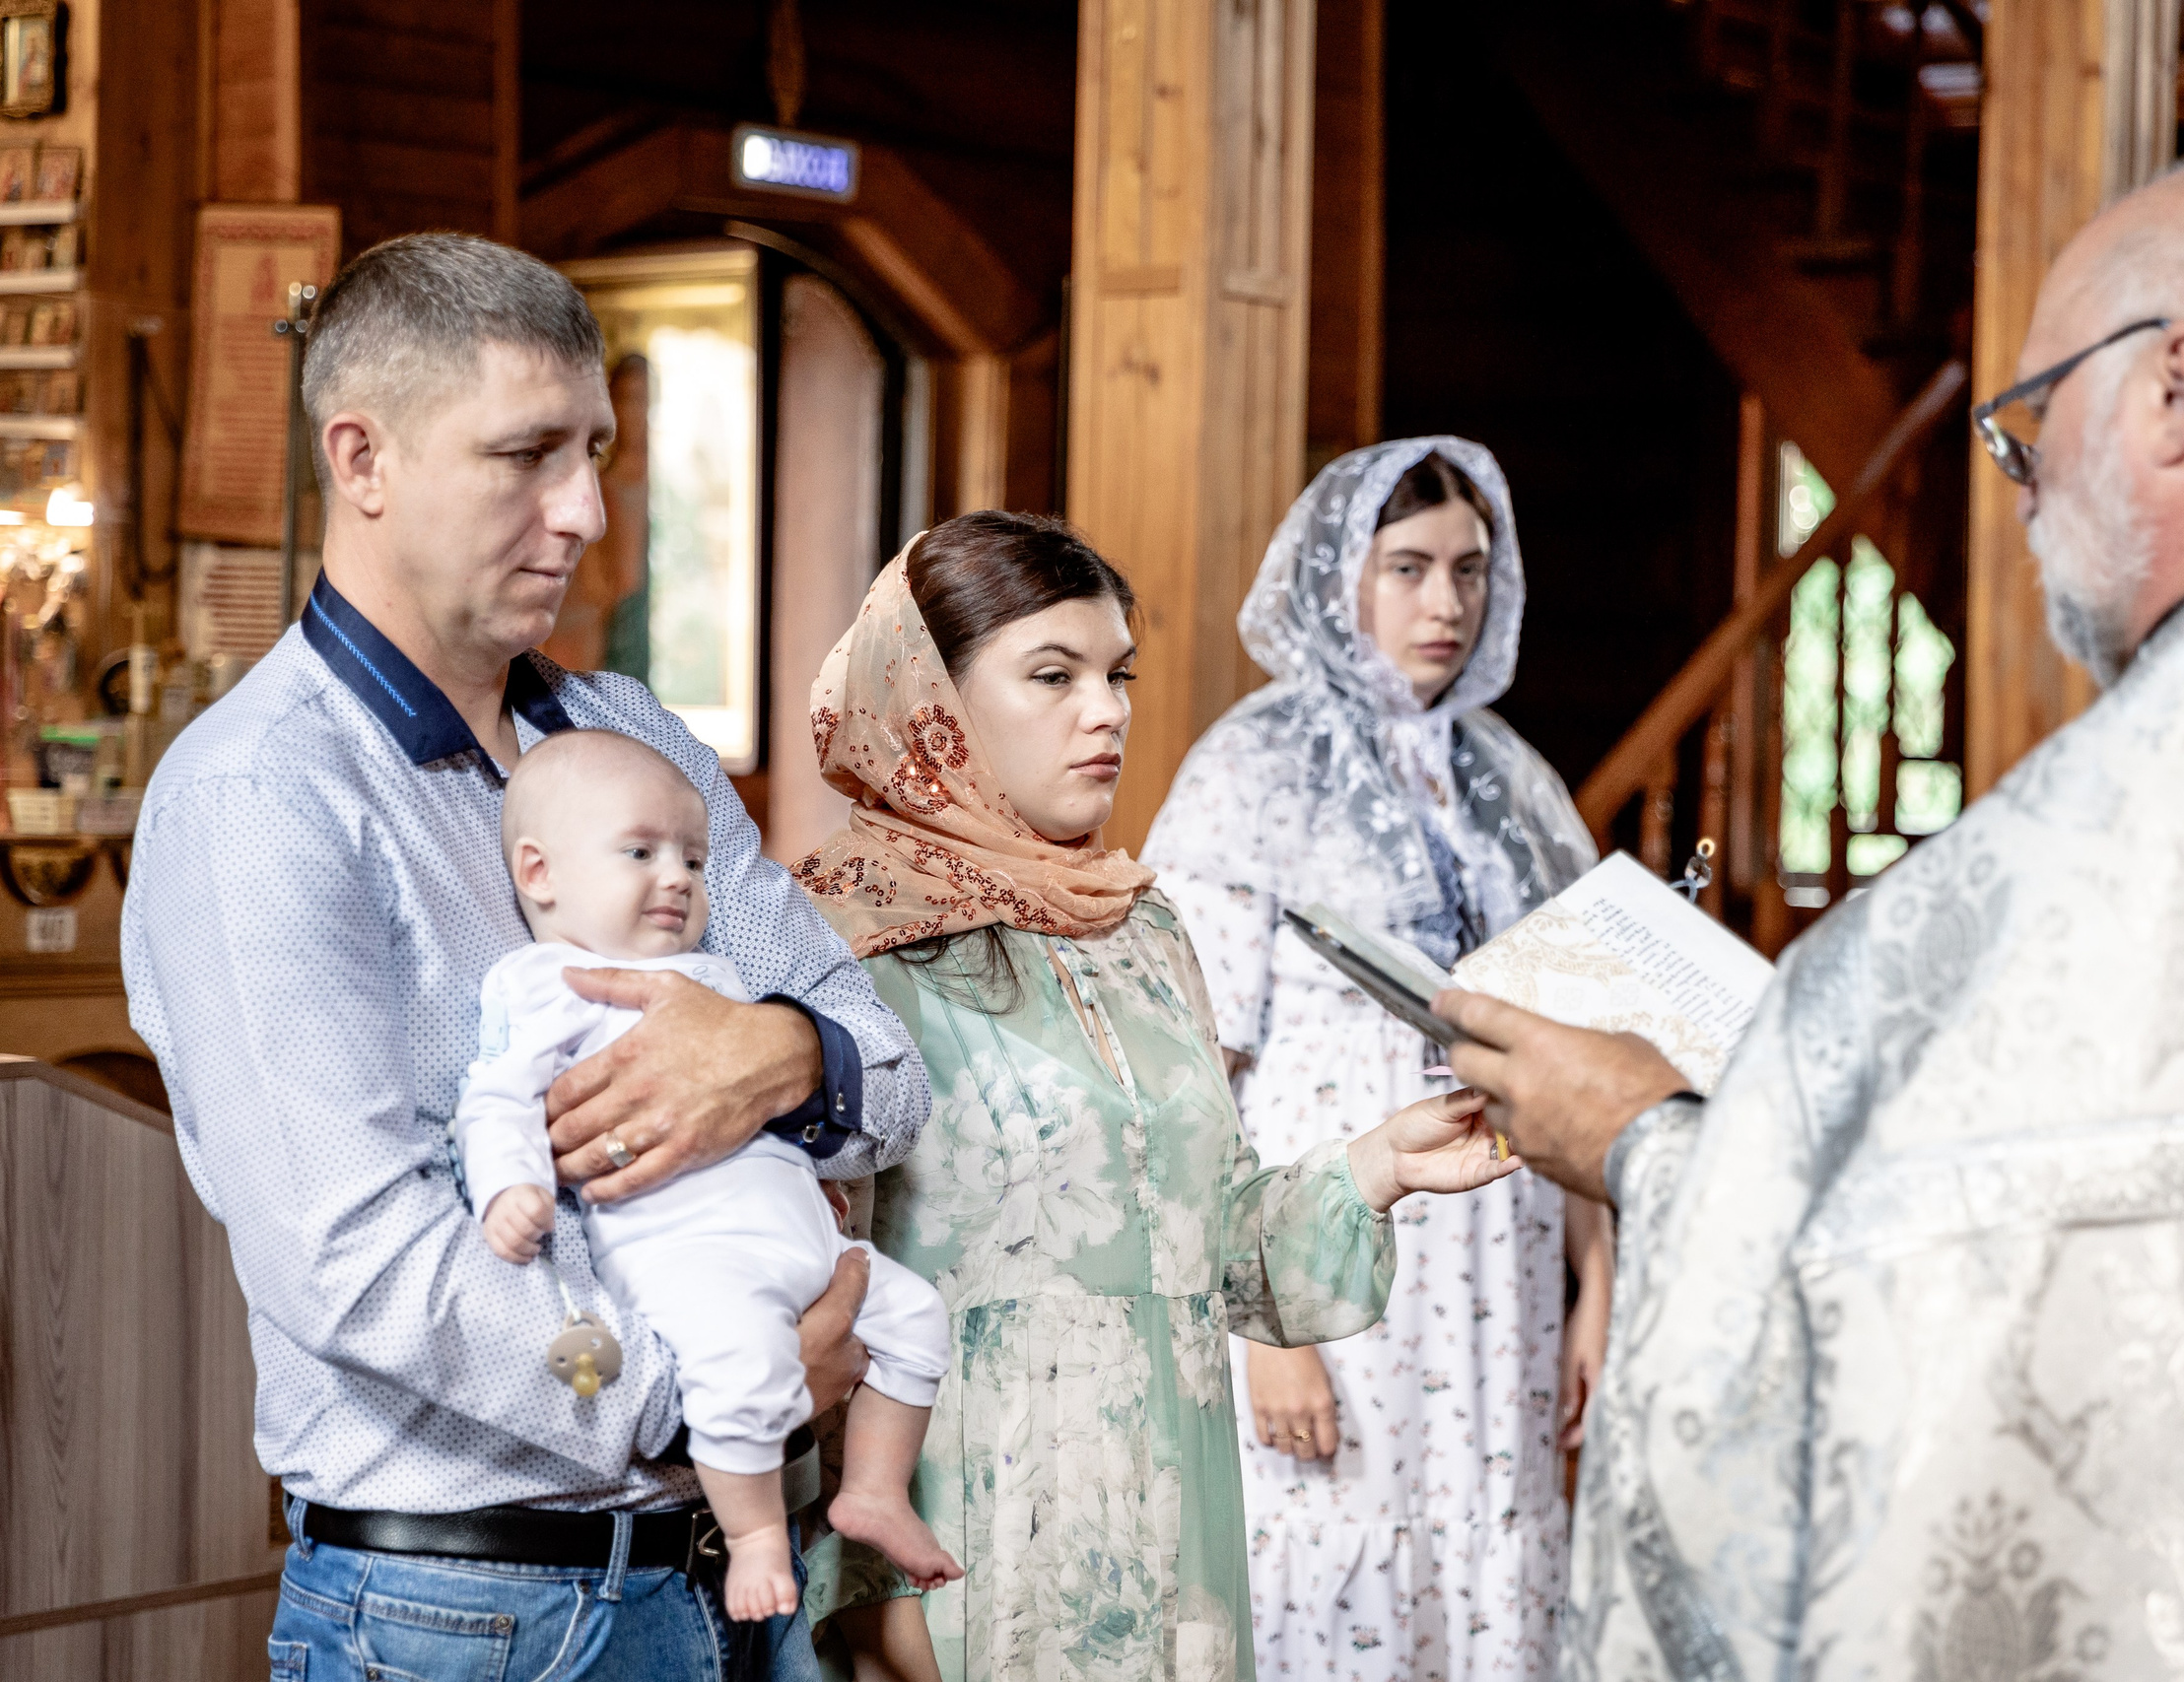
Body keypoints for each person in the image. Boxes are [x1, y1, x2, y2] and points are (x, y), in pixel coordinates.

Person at [1439, 147, 2184, 1678]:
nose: (2012, 494)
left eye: (2025, 429)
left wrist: (1637, 1142)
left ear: (2170, 389)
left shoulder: (2009, 914)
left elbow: (1795, 1403)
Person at [121, 232, 928, 1680]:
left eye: (600, 452)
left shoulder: (630, 729)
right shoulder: (261, 794)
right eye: (525, 454)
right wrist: (697, 1398)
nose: (583, 512)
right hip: (469, 1617)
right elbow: (358, 1262)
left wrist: (786, 1053)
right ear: (361, 458)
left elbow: (887, 1059)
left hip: (739, 1577)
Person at [789, 511, 1527, 1682]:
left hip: (1173, 1542)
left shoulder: (1142, 927)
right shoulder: (835, 938)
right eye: (1053, 675)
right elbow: (804, 1300)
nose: (1109, 710)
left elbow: (1217, 1237)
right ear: (930, 701)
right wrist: (861, 1602)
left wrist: (1377, 1164)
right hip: (960, 1558)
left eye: (1117, 674)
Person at [1140, 437, 1607, 1677]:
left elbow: (1560, 1053)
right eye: (1407, 568)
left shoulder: (1512, 781)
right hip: (1335, 1256)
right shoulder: (1253, 766)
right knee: (1328, 1558)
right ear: (1337, 580)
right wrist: (1267, 1328)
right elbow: (1189, 1073)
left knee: (1489, 1561)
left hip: (1500, 1270)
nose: (1445, 602)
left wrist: (1592, 1282)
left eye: (1468, 568)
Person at [454, 728, 959, 1620]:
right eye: (641, 853)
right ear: (540, 874)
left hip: (804, 1238)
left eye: (692, 856)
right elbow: (495, 1098)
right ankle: (758, 1538)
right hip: (691, 1256)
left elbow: (850, 1075)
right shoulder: (542, 984)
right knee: (741, 1367)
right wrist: (512, 1186)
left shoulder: (716, 969)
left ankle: (876, 1490)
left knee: (917, 1317)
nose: (680, 876)